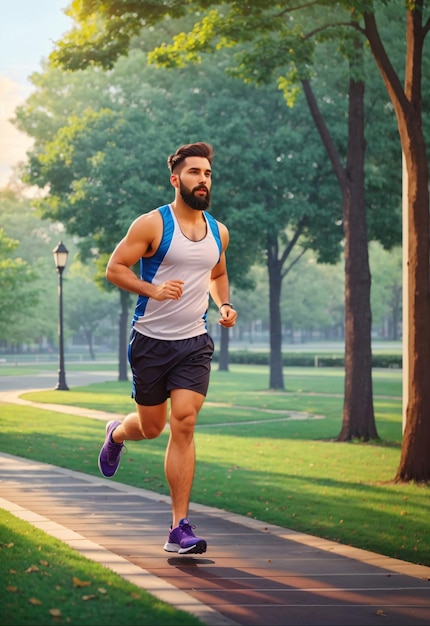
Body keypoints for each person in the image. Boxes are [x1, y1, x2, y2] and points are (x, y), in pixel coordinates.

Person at [98, 142, 237, 555]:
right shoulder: (152, 225)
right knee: (152, 427)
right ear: (176, 179)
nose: (203, 179)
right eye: (194, 172)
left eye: (208, 173)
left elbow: (219, 271)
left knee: (185, 422)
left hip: (194, 342)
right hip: (151, 343)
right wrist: (153, 290)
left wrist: (224, 303)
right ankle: (118, 432)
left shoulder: (218, 231)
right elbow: (114, 269)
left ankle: (180, 527)